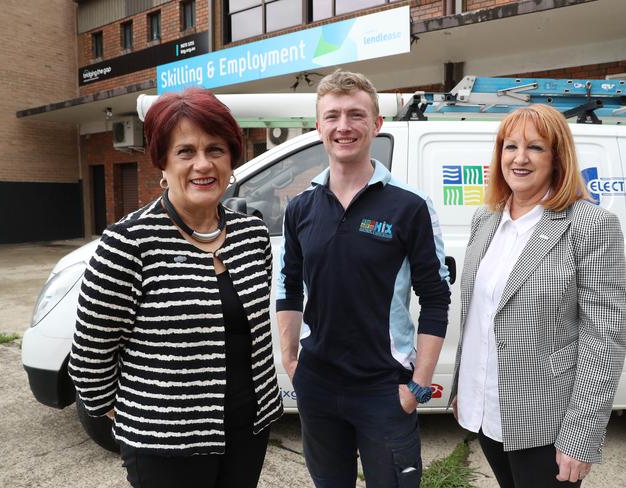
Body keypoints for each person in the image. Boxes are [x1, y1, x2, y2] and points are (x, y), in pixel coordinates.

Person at [68, 87, 283, 488]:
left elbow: (252, 336)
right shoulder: (129, 243)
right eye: (186, 151)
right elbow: (89, 358)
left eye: (215, 149)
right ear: (162, 163)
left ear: (231, 159)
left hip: (249, 429)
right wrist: (139, 416)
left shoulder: (252, 236)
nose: (203, 164)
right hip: (165, 447)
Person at [276, 69, 451, 488]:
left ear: (376, 124)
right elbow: (288, 284)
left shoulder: (410, 206)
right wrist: (292, 361)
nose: (343, 126)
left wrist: (418, 386)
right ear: (318, 127)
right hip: (317, 385)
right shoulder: (300, 208)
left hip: (385, 388)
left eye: (356, 115)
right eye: (332, 115)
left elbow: (436, 298)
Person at [451, 103, 626, 487]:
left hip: (546, 422)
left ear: (557, 157)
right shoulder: (487, 218)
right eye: (510, 146)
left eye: (535, 147)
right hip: (488, 411)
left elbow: (605, 339)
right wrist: (464, 388)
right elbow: (478, 314)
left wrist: (581, 436)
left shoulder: (592, 225)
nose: (519, 158)